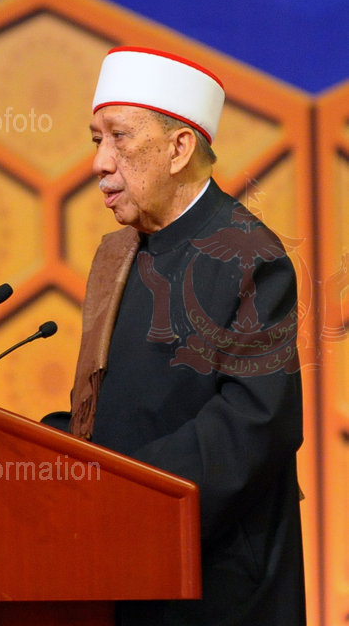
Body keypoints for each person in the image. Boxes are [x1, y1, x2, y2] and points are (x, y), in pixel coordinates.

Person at [69, 47, 306, 626]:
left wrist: (122, 490)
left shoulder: (251, 255)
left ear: (178, 149)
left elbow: (254, 426)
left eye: (119, 137)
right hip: (120, 561)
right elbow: (105, 410)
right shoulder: (118, 255)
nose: (100, 163)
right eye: (96, 139)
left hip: (215, 582)